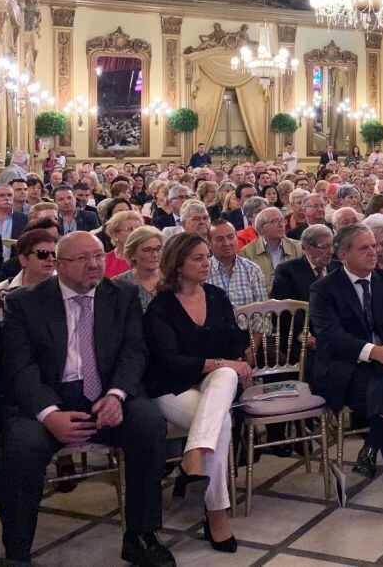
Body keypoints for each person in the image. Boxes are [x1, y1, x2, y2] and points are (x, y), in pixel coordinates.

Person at [0, 231, 174, 566]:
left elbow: (134, 351)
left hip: (106, 394)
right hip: (50, 399)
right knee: (20, 445)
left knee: (149, 423)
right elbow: (19, 366)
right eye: (82, 259)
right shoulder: (26, 302)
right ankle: (17, 552)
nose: (94, 265)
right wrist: (48, 413)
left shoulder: (121, 294)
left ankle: (140, 535)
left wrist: (116, 395)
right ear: (59, 264)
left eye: (98, 256)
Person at [309, 225, 383, 527]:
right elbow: (330, 337)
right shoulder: (324, 288)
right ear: (343, 254)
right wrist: (378, 352)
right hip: (345, 369)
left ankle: (374, 447)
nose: (374, 252)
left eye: (375, 246)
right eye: (365, 248)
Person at [143, 232, 249, 552]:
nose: (207, 263)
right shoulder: (160, 307)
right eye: (198, 258)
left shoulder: (216, 296)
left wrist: (236, 361)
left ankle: (193, 458)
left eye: (207, 257)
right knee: (222, 422)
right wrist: (223, 362)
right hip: (171, 387)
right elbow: (170, 362)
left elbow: (234, 340)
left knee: (226, 374)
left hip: (213, 383)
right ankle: (216, 514)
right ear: (177, 265)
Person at [240, 207, 303, 291]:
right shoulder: (247, 253)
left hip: (293, 301)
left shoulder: (299, 248)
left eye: (282, 220)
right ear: (261, 227)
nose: (281, 225)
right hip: (262, 301)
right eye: (275, 221)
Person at [0, 229, 58, 303]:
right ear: (23, 260)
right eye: (42, 254)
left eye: (54, 254)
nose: (50, 259)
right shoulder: (0, 291)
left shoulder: (67, 287)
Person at [271, 224, 336, 298]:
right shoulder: (288, 271)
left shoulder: (339, 268)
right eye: (325, 247)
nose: (331, 252)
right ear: (307, 247)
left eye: (332, 246)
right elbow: (279, 307)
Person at [114, 226, 164, 312]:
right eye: (147, 250)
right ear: (132, 254)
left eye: (158, 249)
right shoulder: (117, 285)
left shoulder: (173, 281)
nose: (155, 254)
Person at [0, 183, 28, 261]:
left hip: (16, 264)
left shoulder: (24, 219)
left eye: (10, 195)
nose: (7, 198)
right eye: (2, 195)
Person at [104, 209, 143, 278]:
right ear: (114, 234)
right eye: (129, 229)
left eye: (138, 229)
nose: (135, 233)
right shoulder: (104, 261)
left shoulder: (147, 258)